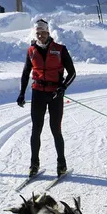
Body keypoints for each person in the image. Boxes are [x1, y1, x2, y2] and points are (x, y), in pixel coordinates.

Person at [17, 18, 76, 177]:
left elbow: (72, 73)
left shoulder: (60, 49)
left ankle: (61, 164)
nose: (41, 35)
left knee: (56, 130)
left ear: (48, 32)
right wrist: (22, 93)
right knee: (36, 130)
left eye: (43, 32)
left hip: (55, 93)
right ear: (35, 34)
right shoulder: (31, 51)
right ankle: (33, 165)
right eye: (38, 33)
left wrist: (62, 88)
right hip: (38, 93)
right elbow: (25, 73)